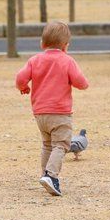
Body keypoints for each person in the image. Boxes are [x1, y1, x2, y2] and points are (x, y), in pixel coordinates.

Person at [15, 21, 89, 196]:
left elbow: (20, 78)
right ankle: (51, 175)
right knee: (62, 145)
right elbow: (80, 82)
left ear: (42, 43)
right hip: (60, 113)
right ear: (65, 46)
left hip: (40, 113)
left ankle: (45, 175)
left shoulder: (34, 60)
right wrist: (84, 85)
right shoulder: (67, 61)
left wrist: (23, 87)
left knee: (47, 145)